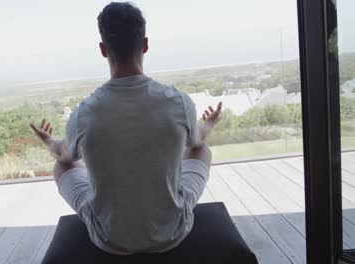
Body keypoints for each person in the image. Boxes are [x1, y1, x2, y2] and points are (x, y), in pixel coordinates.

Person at [30, 2, 222, 255]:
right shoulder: (178, 101)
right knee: (202, 150)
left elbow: (62, 155)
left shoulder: (83, 113)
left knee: (62, 165)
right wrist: (208, 123)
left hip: (107, 238)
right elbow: (197, 142)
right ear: (145, 44)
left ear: (102, 49)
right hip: (173, 232)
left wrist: (49, 141)